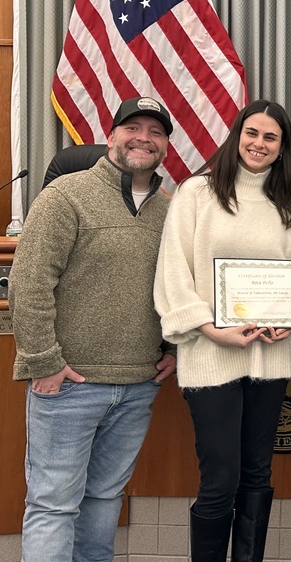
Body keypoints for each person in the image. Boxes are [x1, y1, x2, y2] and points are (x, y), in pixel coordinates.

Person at [10, 96, 177, 562]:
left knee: (104, 500)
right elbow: (29, 283)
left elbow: (180, 289)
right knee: (53, 504)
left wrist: (173, 350)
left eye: (155, 131)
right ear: (112, 134)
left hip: (138, 385)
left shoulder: (172, 212)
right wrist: (45, 362)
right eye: (133, 127)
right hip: (68, 385)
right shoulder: (65, 195)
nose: (143, 138)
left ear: (166, 144)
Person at [154, 100, 291, 562]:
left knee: (256, 475)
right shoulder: (196, 193)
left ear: (282, 148)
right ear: (236, 136)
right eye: (252, 133)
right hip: (211, 356)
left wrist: (289, 321)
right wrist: (209, 328)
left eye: (271, 137)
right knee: (220, 478)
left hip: (269, 358)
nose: (259, 144)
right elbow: (173, 272)